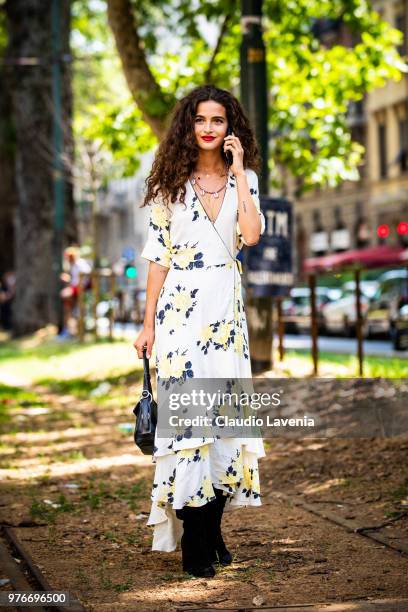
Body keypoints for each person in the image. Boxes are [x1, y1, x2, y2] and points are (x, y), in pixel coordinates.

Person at [133, 84, 266, 578]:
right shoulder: (171, 184)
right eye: (200, 120)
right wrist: (147, 323)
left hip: (226, 321)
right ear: (189, 127)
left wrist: (239, 176)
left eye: (218, 120)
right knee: (190, 426)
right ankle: (196, 540)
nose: (209, 128)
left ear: (230, 128)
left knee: (222, 426)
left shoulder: (243, 179)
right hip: (180, 318)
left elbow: (249, 236)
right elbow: (158, 259)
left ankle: (211, 531)